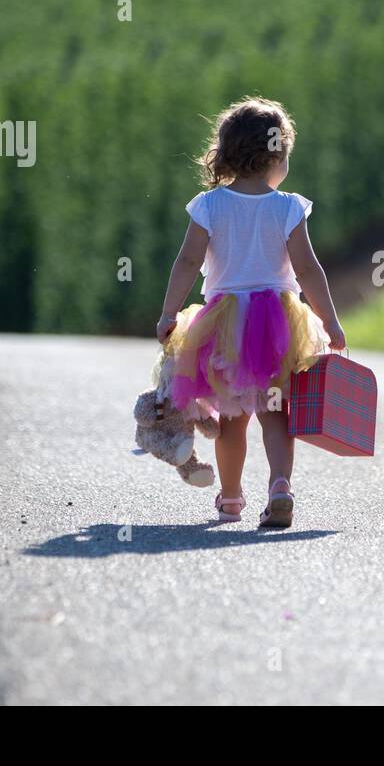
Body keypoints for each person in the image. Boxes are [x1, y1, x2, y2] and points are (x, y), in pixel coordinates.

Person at [157, 97, 345, 528]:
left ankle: (231, 497)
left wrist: (169, 313)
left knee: (232, 419)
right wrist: (330, 320)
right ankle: (280, 485)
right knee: (276, 413)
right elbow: (307, 269)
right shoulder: (287, 206)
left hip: (224, 324)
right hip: (278, 325)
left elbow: (186, 262)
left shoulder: (210, 205)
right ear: (277, 156)